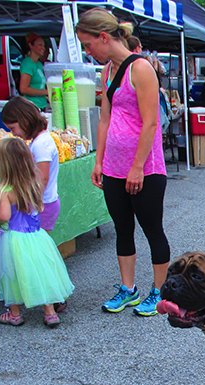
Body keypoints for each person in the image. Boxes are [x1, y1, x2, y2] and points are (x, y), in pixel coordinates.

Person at [76, 8, 170, 317]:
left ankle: (159, 291)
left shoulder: (141, 68)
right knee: (122, 228)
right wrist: (98, 160)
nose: (88, 52)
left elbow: (151, 123)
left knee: (152, 228)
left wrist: (137, 166)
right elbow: (104, 119)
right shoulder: (107, 71)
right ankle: (128, 288)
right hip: (114, 167)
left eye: (88, 45)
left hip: (145, 167)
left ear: (103, 37)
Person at [0, 138, 74, 328]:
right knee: (41, 271)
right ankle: (50, 312)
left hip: (13, 239)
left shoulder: (4, 189)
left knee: (11, 274)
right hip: (36, 237)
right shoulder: (33, 184)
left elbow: (5, 215)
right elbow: (40, 206)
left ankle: (15, 313)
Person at [1, 97, 60, 233]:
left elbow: (42, 178)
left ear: (24, 121)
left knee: (36, 245)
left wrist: (32, 203)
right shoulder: (40, 141)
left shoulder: (40, 144)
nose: (13, 133)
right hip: (43, 202)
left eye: (12, 128)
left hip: (43, 204)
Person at [19, 33, 49, 110]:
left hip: (41, 105)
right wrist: (46, 92)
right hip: (32, 107)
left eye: (43, 45)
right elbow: (23, 89)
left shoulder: (39, 64)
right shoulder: (27, 64)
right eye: (40, 45)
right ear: (31, 45)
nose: (43, 48)